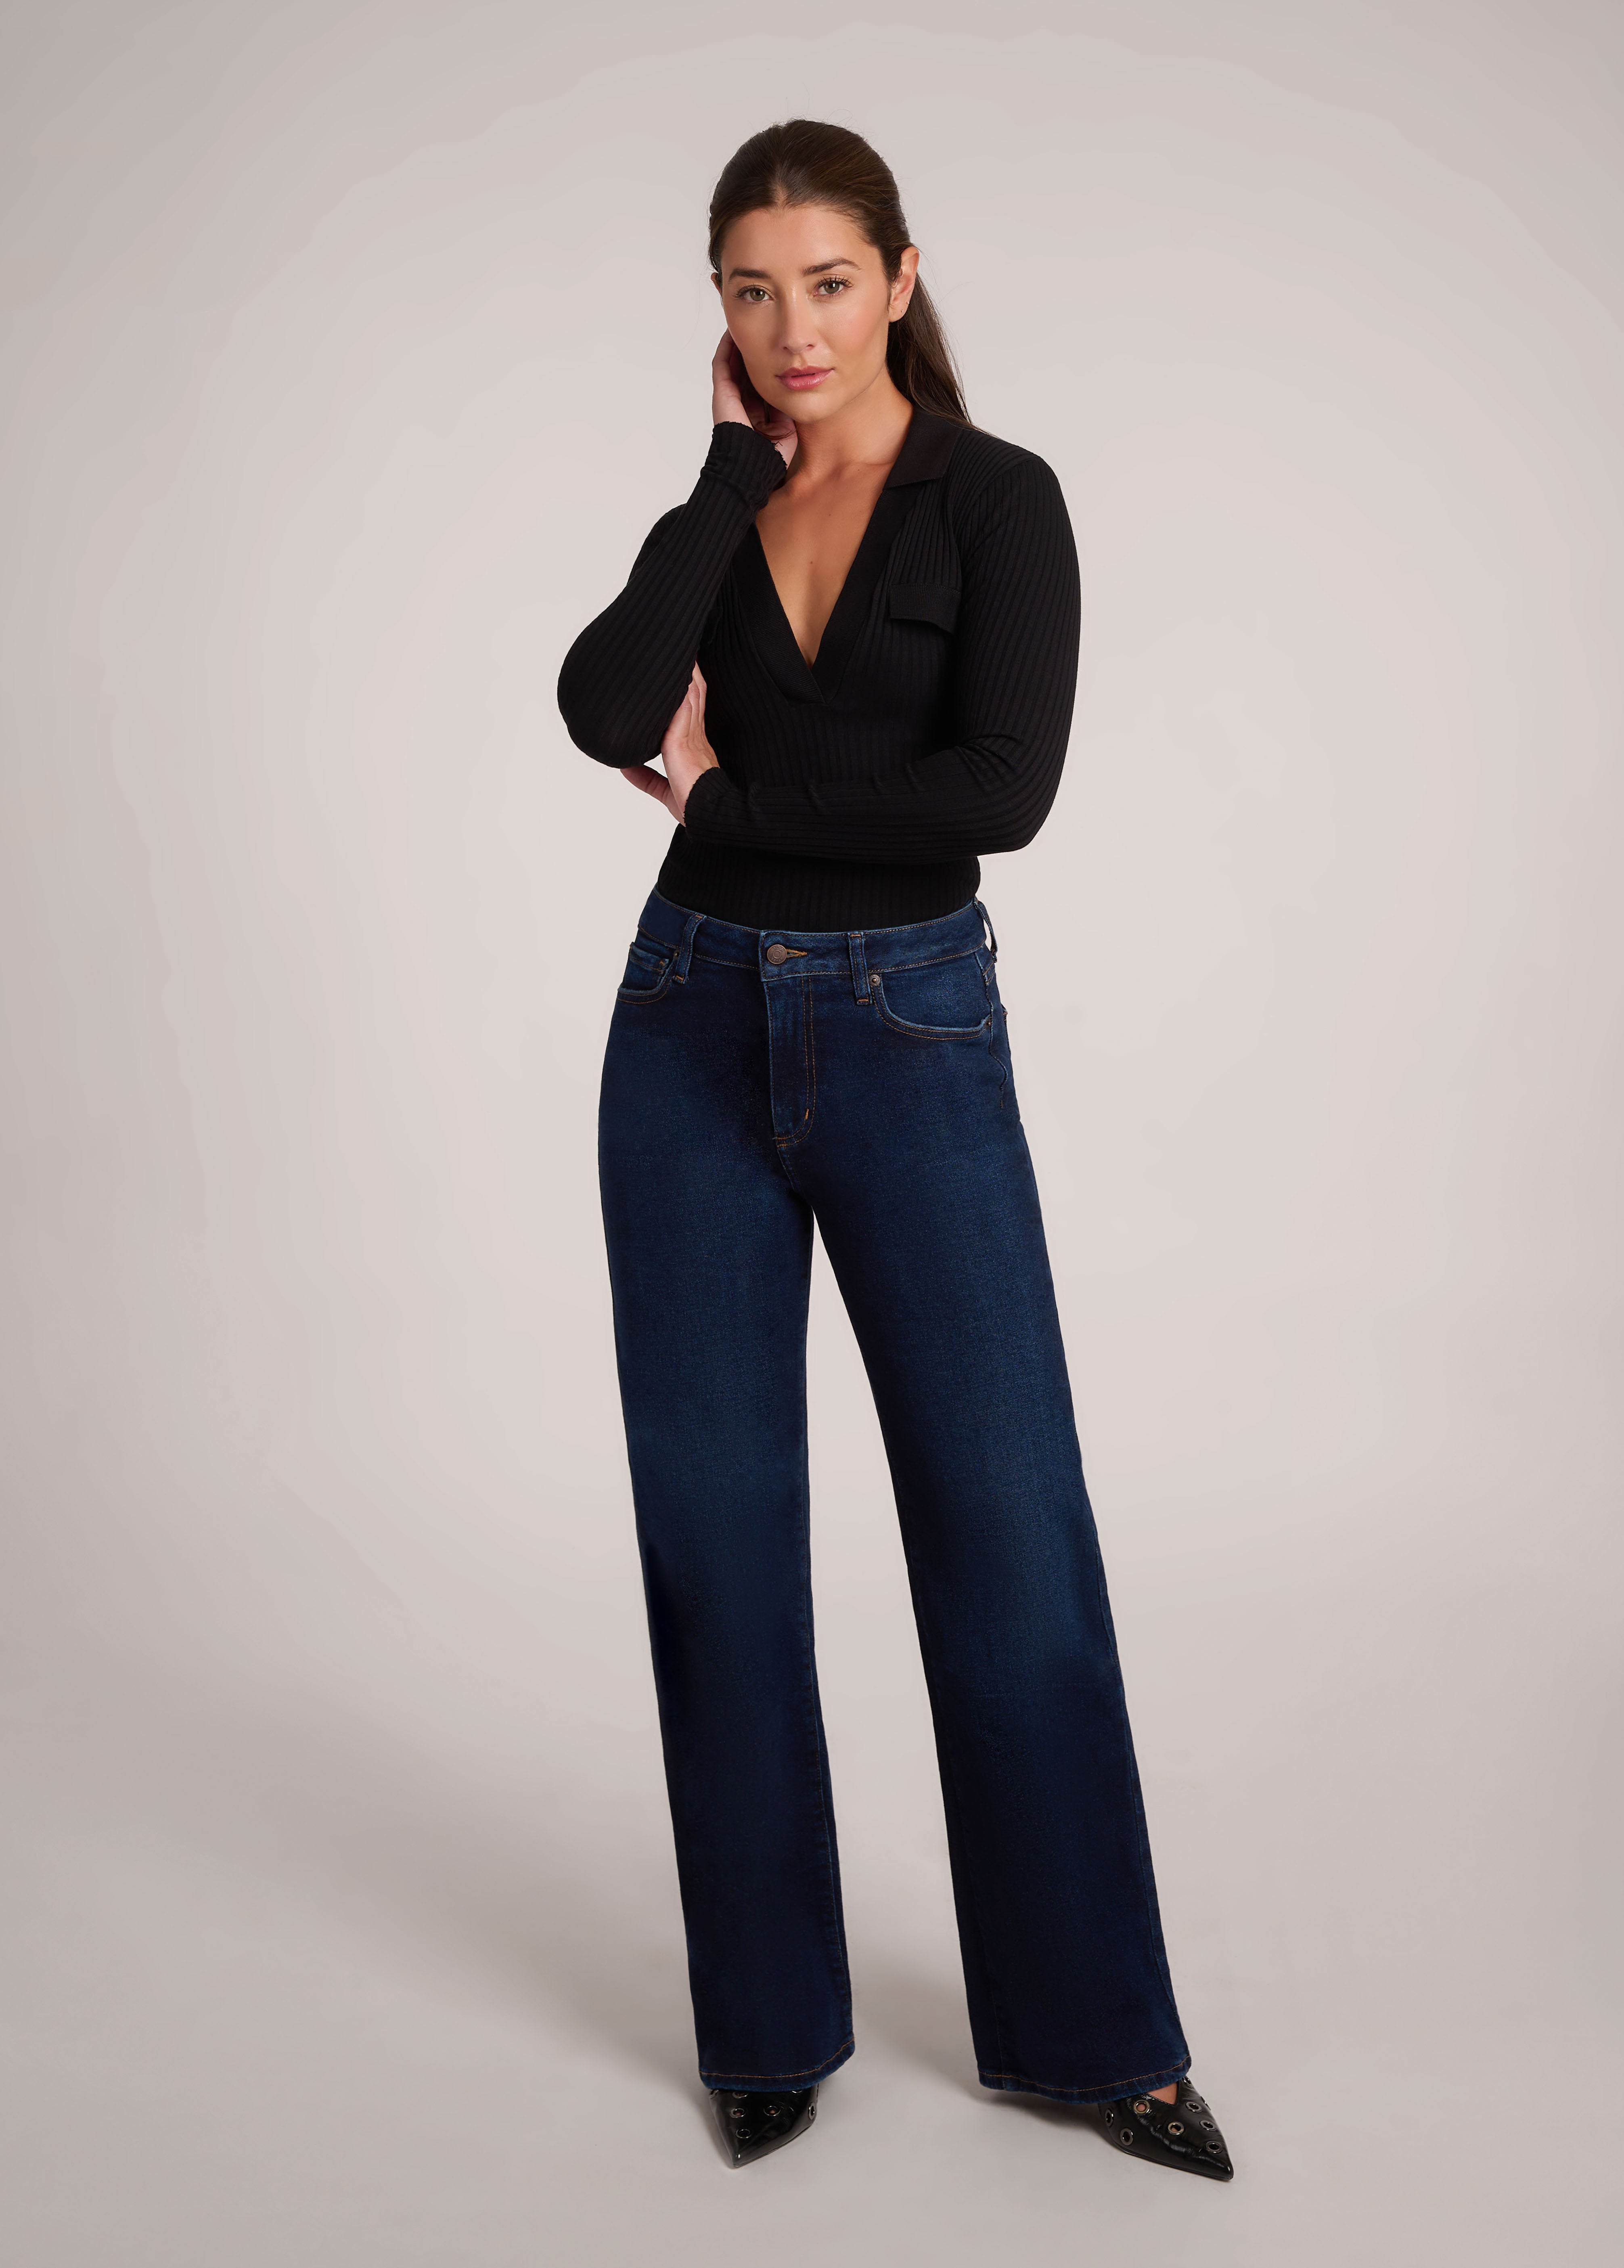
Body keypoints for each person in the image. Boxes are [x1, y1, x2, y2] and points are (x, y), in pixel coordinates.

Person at [557, 118, 1233, 2182]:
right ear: (719, 312)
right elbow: (597, 701)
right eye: (751, 290)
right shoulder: (731, 498)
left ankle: (1096, 2032)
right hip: (684, 1025)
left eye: (829, 282)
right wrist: (716, 483)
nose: (794, 327)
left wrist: (728, 805)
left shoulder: (995, 499)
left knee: (1005, 1521)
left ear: (904, 280)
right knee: (716, 1538)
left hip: (909, 1029)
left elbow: (995, 792)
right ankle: (764, 2025)